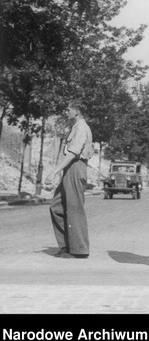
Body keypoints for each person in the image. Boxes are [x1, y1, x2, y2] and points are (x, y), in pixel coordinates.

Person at [45, 101, 93, 259]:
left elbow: (73, 153)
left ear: (76, 112)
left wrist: (54, 172)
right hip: (70, 168)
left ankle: (79, 250)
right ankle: (65, 245)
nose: (66, 113)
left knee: (74, 209)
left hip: (75, 167)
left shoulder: (81, 128)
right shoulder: (76, 127)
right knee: (56, 207)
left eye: (68, 110)